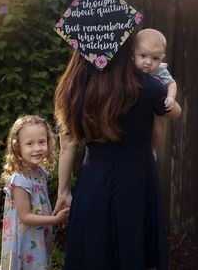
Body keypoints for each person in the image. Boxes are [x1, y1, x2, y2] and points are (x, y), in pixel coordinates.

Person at [53, 37, 182, 270]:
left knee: (94, 252)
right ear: (127, 48)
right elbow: (165, 120)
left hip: (94, 181)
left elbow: (67, 146)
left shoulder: (76, 87)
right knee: (133, 251)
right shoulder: (150, 87)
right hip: (139, 178)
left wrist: (64, 192)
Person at [0, 115, 70, 270]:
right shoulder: (20, 181)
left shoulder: (40, 173)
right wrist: (55, 220)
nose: (37, 148)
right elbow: (25, 217)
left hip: (37, 234)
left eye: (42, 142)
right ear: (17, 147)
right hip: (24, 240)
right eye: (30, 144)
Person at [133, 28, 177, 157]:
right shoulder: (130, 67)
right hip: (138, 104)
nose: (148, 62)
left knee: (157, 128)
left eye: (155, 58)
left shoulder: (160, 70)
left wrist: (170, 98)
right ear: (134, 53)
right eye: (143, 56)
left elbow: (172, 83)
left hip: (153, 104)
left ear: (162, 57)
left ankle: (152, 151)